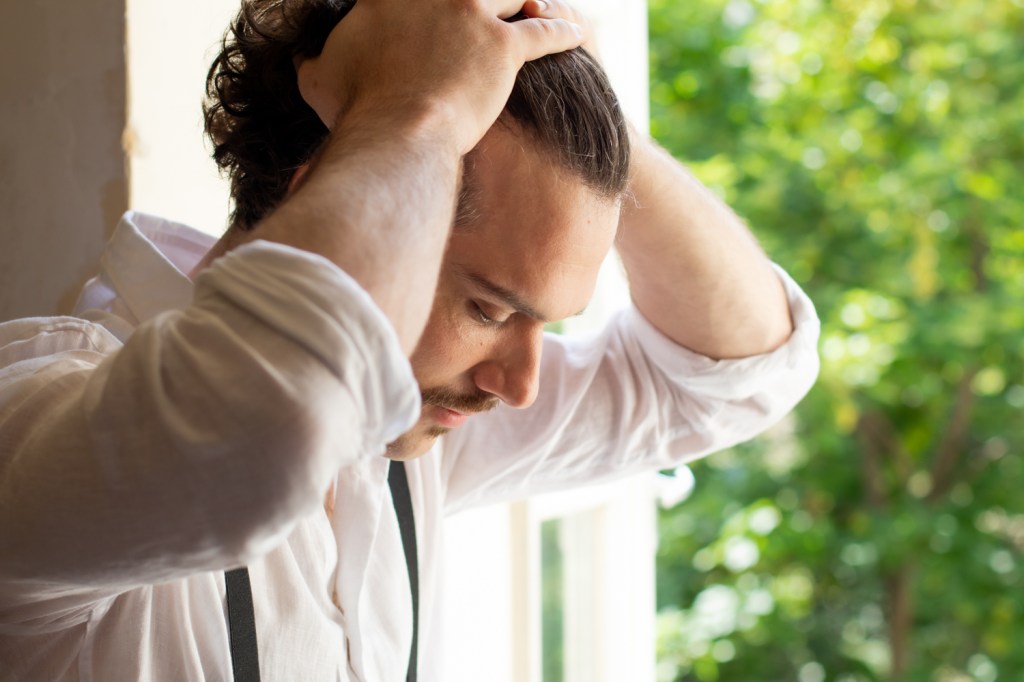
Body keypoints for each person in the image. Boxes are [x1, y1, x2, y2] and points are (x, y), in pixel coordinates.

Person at [0, 0, 820, 679]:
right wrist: (413, 111)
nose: (520, 385)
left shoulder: (404, 436)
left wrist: (556, 75)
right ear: (345, 193)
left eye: (546, 321)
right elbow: (265, 429)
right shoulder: (32, 419)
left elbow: (740, 373)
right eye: (489, 310)